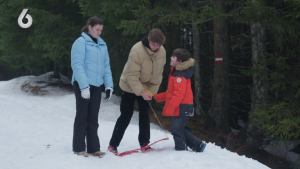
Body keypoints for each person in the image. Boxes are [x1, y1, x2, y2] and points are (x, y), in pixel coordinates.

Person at [108, 28, 166, 155]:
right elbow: (131, 76)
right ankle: (113, 144)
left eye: (158, 45)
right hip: (130, 85)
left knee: (144, 115)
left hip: (147, 88)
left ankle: (145, 143)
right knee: (126, 115)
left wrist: (150, 93)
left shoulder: (162, 52)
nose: (156, 47)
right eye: (154, 44)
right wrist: (141, 91)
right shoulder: (136, 50)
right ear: (149, 39)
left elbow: (158, 75)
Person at [71, 16, 114, 157]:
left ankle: (94, 148)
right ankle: (79, 147)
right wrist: (83, 86)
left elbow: (106, 66)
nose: (99, 32)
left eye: (101, 30)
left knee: (93, 117)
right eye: (97, 29)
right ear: (89, 27)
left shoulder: (102, 45)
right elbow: (77, 65)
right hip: (82, 84)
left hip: (96, 85)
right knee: (82, 115)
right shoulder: (80, 43)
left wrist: (109, 86)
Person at [153, 48, 206, 152]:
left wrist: (170, 109)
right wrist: (156, 97)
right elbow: (170, 93)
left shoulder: (180, 75)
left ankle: (181, 150)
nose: (171, 58)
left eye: (173, 57)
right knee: (179, 128)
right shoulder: (177, 73)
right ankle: (198, 145)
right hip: (182, 107)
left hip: (182, 107)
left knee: (176, 129)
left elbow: (178, 95)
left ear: (180, 61)